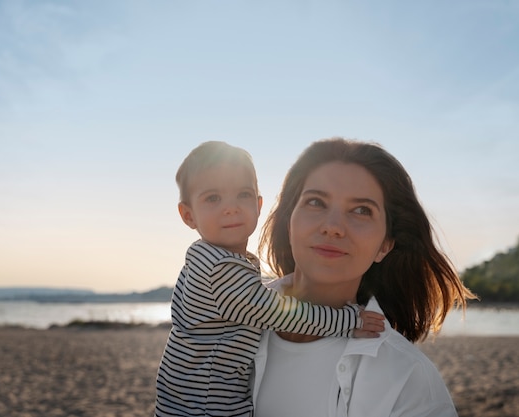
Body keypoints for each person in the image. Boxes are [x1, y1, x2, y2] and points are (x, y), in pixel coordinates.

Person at [155, 141, 386, 417]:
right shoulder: (219, 268)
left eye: (243, 194)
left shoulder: (204, 258)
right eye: (213, 198)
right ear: (188, 215)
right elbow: (281, 315)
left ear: (258, 204)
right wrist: (349, 321)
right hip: (205, 407)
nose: (231, 208)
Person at [251, 137, 476, 417]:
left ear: (385, 245)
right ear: (289, 221)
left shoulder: (408, 378)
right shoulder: (219, 321)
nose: (333, 227)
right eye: (316, 202)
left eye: (361, 210)